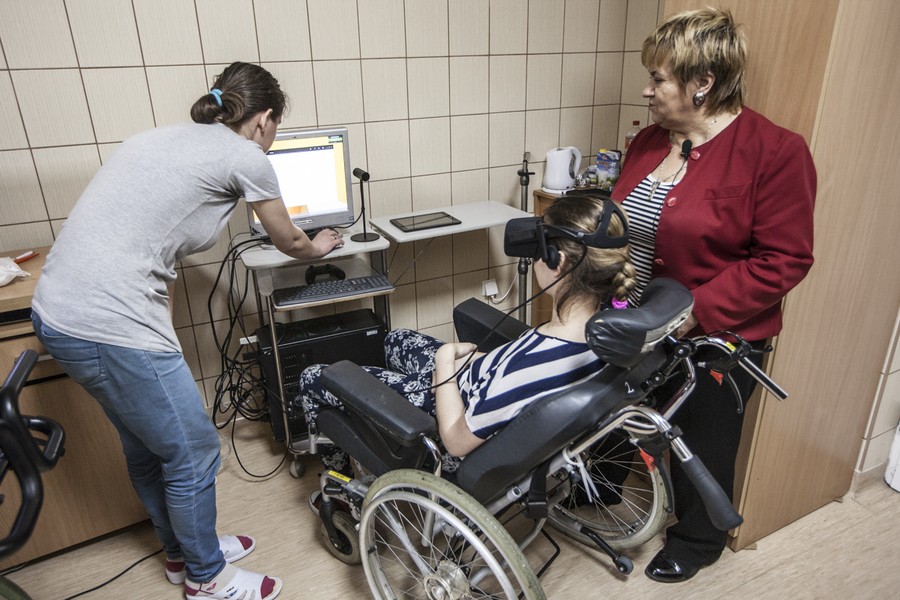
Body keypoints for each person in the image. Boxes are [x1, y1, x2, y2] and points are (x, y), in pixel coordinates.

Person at [31, 62, 344, 600]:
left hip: (59, 311)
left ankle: (182, 554)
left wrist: (161, 331)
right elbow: (290, 241)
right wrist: (322, 245)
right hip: (106, 320)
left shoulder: (158, 139)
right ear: (265, 119)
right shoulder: (247, 156)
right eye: (275, 128)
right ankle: (206, 578)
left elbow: (158, 242)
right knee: (195, 450)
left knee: (146, 445)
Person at [610, 9, 816, 583]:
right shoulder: (650, 141)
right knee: (614, 407)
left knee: (702, 437)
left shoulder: (775, 152)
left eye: (660, 79)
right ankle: (600, 491)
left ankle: (698, 540)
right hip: (635, 316)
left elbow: (785, 259)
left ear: (703, 84)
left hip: (717, 335)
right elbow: (628, 222)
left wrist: (691, 313)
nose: (647, 90)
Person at [298, 195, 636, 479]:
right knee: (395, 339)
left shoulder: (533, 366)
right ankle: (373, 423)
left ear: (557, 262)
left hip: (442, 414)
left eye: (539, 250)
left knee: (315, 377)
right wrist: (477, 362)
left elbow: (457, 441)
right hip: (471, 382)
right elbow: (511, 375)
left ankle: (341, 482)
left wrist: (446, 361)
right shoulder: (602, 332)